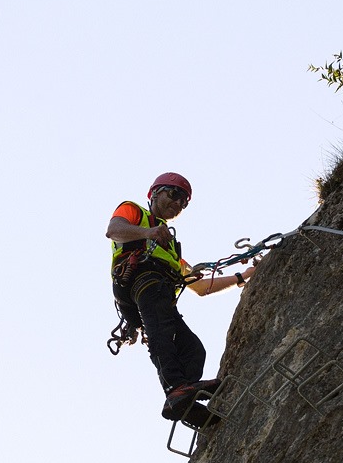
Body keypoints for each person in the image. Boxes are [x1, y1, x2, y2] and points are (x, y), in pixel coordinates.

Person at [107, 172, 255, 424]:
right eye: (174, 194)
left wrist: (244, 276)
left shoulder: (169, 246)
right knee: (161, 333)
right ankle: (176, 388)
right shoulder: (134, 212)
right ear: (154, 193)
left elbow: (201, 287)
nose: (178, 203)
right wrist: (149, 232)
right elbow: (114, 230)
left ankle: (183, 400)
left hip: (158, 292)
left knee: (193, 349)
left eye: (183, 202)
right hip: (143, 281)